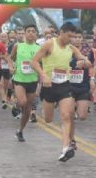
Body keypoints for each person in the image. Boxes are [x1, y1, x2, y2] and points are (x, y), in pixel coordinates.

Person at [32, 22, 91, 162]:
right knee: (48, 119)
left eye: (72, 36)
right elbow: (34, 62)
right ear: (61, 32)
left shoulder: (71, 48)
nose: (70, 39)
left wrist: (86, 62)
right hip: (49, 86)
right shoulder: (49, 44)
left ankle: (65, 148)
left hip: (65, 85)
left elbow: (83, 59)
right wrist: (43, 75)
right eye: (68, 36)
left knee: (66, 115)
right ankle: (46, 109)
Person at [9, 24, 40, 142]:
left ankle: (20, 130)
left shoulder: (39, 48)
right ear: (25, 33)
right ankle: (16, 106)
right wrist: (11, 67)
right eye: (29, 31)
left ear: (36, 34)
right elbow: (10, 58)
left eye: (33, 31)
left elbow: (43, 63)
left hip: (32, 80)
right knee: (22, 101)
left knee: (27, 109)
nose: (31, 33)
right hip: (19, 79)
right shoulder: (18, 46)